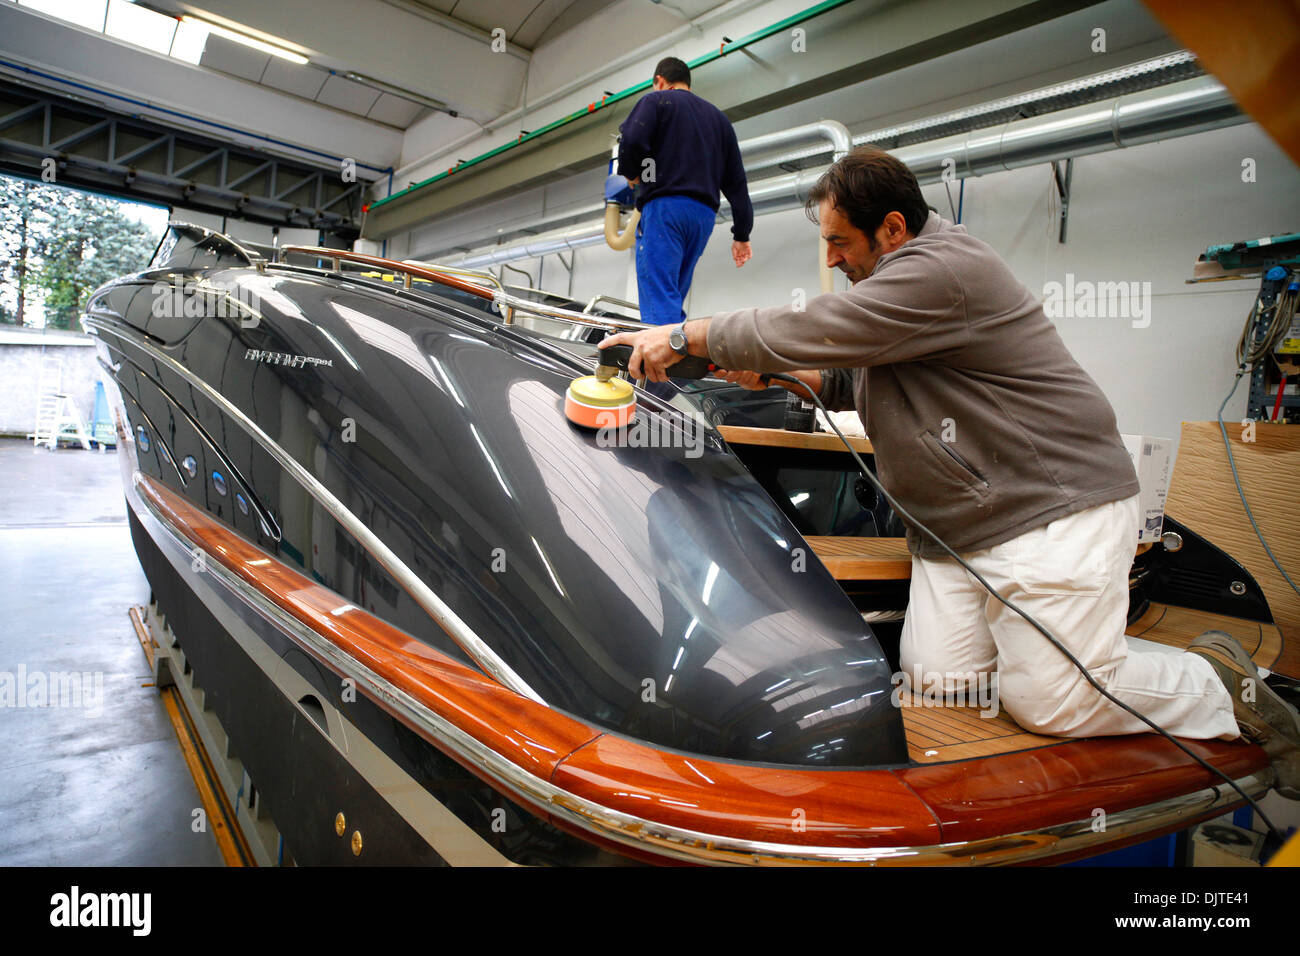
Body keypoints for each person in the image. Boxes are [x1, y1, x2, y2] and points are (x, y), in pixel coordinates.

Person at [599, 146, 1300, 793]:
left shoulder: (943, 269)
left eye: (841, 242)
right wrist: (779, 374)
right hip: (953, 532)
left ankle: (1215, 682)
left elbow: (820, 326)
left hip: (1046, 509)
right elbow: (850, 379)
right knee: (940, 686)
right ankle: (1054, 660)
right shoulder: (897, 291)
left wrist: (685, 332)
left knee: (1051, 702)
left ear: (894, 228)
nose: (834, 258)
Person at [616, 56, 754, 326]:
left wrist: (631, 172)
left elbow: (632, 139)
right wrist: (742, 234)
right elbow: (737, 183)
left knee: (659, 297)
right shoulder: (720, 121)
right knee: (672, 296)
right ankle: (675, 355)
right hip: (702, 218)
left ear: (660, 81)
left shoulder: (656, 101)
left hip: (665, 209)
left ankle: (661, 365)